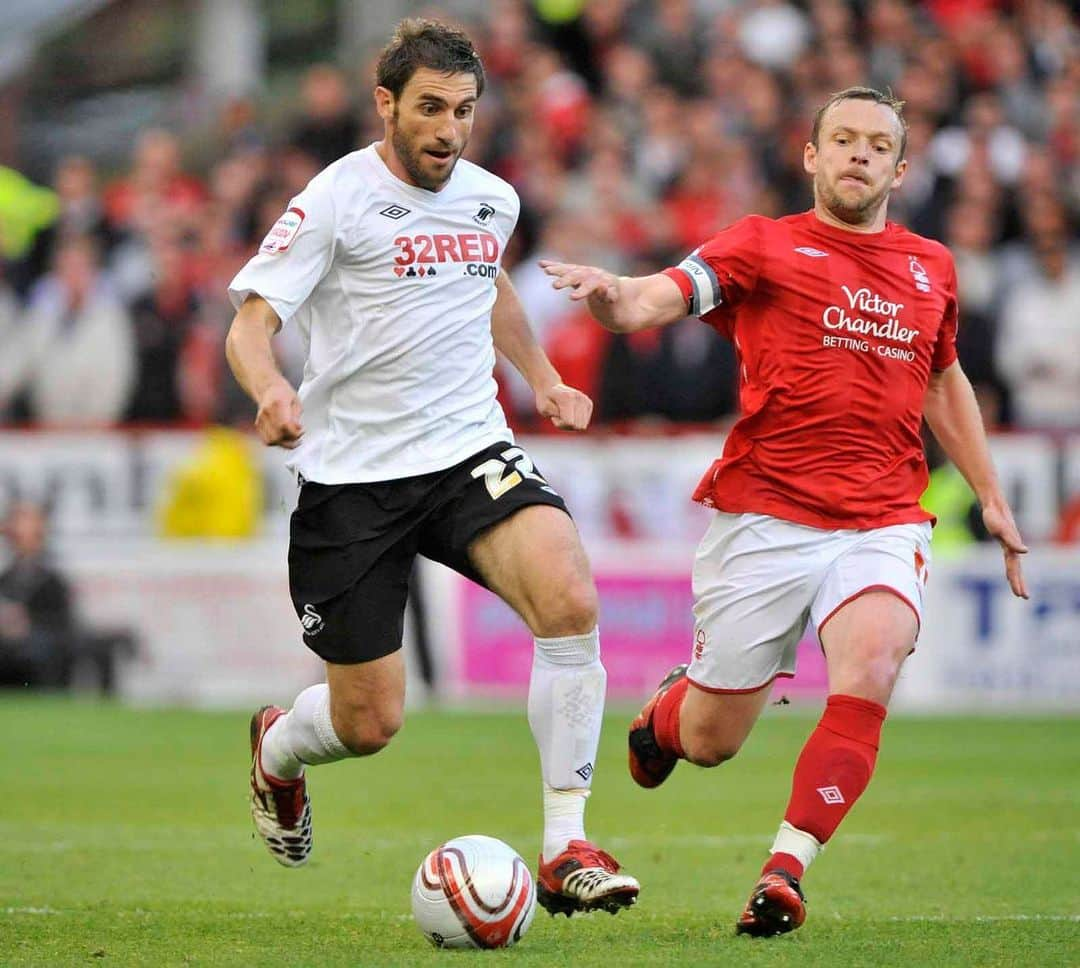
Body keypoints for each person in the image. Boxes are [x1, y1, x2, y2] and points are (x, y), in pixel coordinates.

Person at [541, 86, 1028, 936]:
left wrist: (989, 494)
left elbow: (944, 379)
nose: (858, 154)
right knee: (713, 737)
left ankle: (785, 871)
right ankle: (667, 717)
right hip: (763, 517)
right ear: (810, 156)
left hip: (880, 517)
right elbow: (665, 293)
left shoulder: (931, 269)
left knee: (873, 659)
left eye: (878, 144)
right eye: (842, 139)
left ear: (901, 169)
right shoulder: (763, 245)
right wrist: (614, 295)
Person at [224, 19, 639, 916]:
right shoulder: (335, 198)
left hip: (467, 452)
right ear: (387, 104)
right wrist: (267, 391)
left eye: (464, 110)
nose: (449, 130)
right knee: (368, 723)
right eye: (430, 109)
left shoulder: (492, 199)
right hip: (353, 480)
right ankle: (276, 752)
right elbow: (250, 324)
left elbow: (484, 286)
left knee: (568, 596)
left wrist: (545, 379)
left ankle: (567, 844)